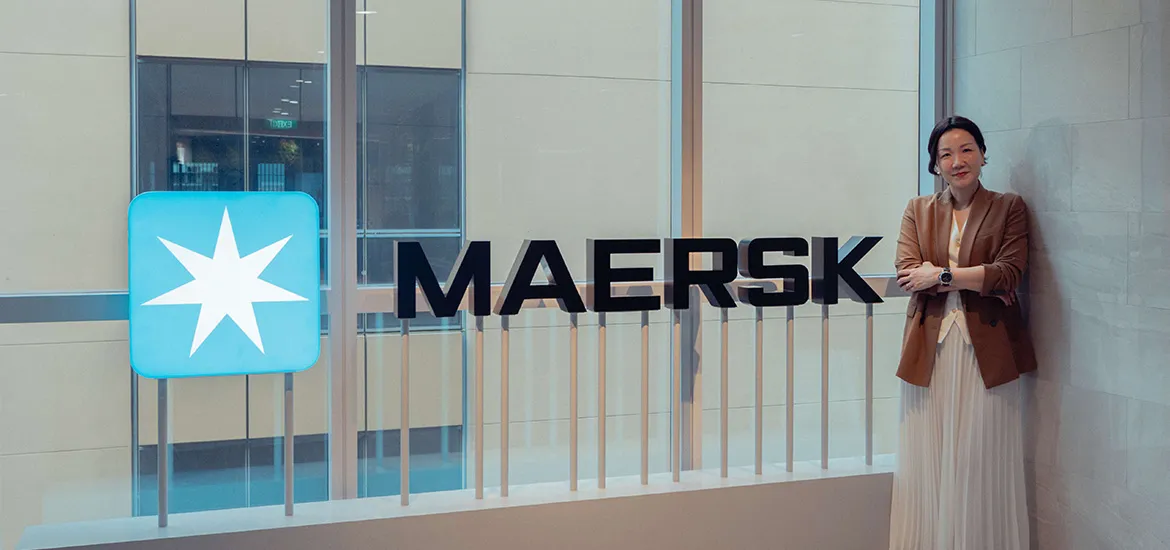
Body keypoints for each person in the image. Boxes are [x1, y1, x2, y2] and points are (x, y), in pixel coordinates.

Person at [888, 115, 1038, 550]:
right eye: (946, 154)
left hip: (987, 350)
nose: (958, 161)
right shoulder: (918, 209)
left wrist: (944, 275)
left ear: (983, 154)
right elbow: (907, 272)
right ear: (935, 165)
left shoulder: (1009, 206)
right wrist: (977, 278)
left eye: (967, 149)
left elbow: (1009, 273)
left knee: (981, 456)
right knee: (929, 458)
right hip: (930, 350)